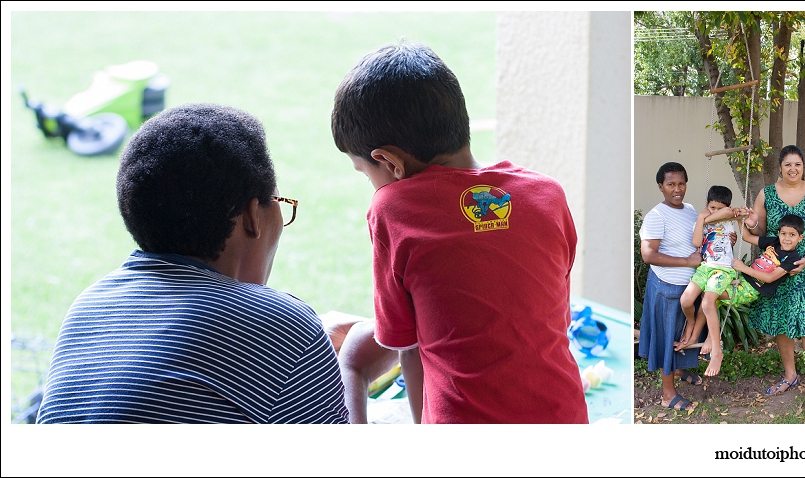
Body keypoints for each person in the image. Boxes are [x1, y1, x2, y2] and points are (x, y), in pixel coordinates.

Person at [36, 103, 350, 424]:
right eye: (280, 202)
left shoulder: (88, 306)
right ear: (253, 216)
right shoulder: (283, 325)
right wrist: (355, 367)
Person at [330, 41, 588, 423]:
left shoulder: (392, 209)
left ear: (388, 162)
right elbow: (551, 319)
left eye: (364, 171)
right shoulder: (547, 194)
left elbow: (408, 346)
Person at [745, 144, 805, 411]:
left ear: (803, 166)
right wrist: (750, 223)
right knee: (783, 323)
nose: (793, 169)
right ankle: (790, 375)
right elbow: (760, 231)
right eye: (787, 165)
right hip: (776, 271)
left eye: (797, 164)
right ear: (780, 167)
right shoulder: (767, 194)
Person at [638, 162, 706, 412]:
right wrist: (687, 261)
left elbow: (697, 238)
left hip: (689, 286)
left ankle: (679, 370)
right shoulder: (656, 216)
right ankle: (668, 394)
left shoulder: (689, 210)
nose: (677, 189)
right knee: (667, 338)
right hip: (666, 287)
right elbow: (648, 254)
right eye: (671, 184)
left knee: (683, 334)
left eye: (681, 183)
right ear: (661, 187)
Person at [676, 185, 743, 377]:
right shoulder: (703, 221)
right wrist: (701, 218)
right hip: (705, 267)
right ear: (707, 205)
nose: (715, 212)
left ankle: (716, 350)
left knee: (708, 301)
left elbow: (736, 232)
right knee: (686, 300)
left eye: (720, 209)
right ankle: (691, 322)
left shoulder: (730, 220)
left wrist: (735, 226)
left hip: (723, 269)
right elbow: (697, 243)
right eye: (712, 207)